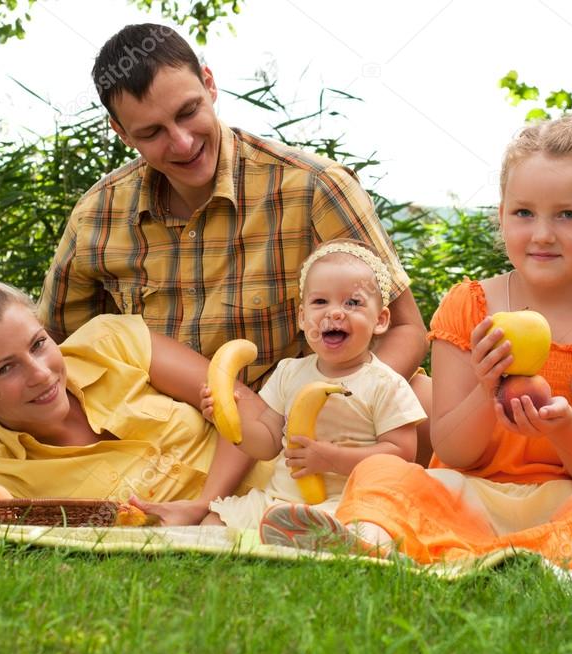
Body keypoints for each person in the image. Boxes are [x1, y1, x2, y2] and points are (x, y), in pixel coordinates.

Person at [258, 116, 572, 585]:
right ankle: (364, 547)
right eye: (524, 213)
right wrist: (485, 390)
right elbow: (453, 453)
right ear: (502, 216)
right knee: (381, 472)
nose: (542, 234)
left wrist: (564, 426)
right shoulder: (469, 308)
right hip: (471, 501)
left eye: (568, 214)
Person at [38, 23, 432, 456]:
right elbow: (57, 346)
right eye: (151, 133)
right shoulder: (97, 215)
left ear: (209, 84)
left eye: (188, 111)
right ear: (121, 133)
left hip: (295, 438)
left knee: (427, 398)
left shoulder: (313, 188)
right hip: (158, 442)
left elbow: (406, 329)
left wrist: (338, 403)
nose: (182, 142)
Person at [0, 279, 269, 518]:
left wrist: (203, 506)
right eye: (6, 369)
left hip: (294, 479)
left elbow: (245, 407)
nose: (40, 373)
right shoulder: (3, 474)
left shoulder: (111, 342)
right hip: (266, 530)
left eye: (38, 344)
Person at [191, 240, 426, 530]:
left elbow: (402, 455)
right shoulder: (290, 372)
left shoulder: (384, 383)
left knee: (374, 528)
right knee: (215, 520)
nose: (335, 313)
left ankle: (327, 536)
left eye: (352, 303)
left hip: (352, 500)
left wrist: (333, 459)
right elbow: (266, 442)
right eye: (320, 302)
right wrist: (230, 421)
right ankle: (285, 531)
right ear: (303, 318)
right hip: (282, 498)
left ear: (380, 320)